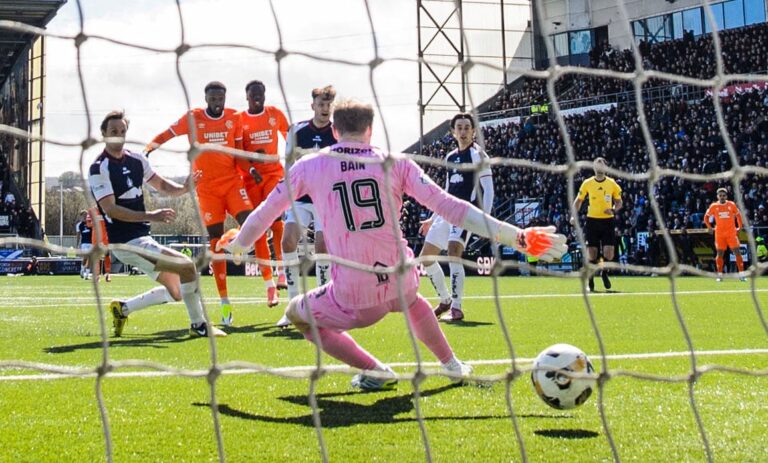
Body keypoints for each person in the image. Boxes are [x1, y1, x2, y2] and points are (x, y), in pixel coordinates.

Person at [220, 99, 566, 390]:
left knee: (297, 312)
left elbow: (268, 210)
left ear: (335, 131)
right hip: (401, 278)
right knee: (412, 299)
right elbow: (453, 207)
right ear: (370, 130)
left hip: (353, 295)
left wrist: (241, 244)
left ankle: (374, 370)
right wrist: (516, 237)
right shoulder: (396, 163)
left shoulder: (311, 165)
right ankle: (452, 364)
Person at [90, 110, 225, 338]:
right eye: (113, 132)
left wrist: (183, 188)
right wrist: (152, 215)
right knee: (186, 266)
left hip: (141, 238)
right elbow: (111, 209)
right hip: (125, 243)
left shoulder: (137, 159)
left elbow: (161, 185)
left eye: (122, 131)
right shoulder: (99, 168)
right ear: (103, 134)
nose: (119, 136)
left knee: (176, 291)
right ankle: (199, 325)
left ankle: (123, 309)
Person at [146, 81, 253, 326]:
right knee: (214, 242)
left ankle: (234, 244)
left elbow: (246, 144)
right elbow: (169, 132)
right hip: (205, 188)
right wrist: (151, 146)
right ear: (207, 99)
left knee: (251, 222)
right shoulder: (193, 118)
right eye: (214, 98)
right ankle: (225, 302)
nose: (218, 102)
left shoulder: (234, 117)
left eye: (221, 98)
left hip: (232, 182)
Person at [419, 113, 493, 322]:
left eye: (466, 127)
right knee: (426, 258)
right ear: (453, 132)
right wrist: (433, 218)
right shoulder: (450, 157)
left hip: (465, 213)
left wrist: (485, 219)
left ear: (473, 131)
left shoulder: (479, 156)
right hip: (446, 212)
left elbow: (488, 189)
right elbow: (446, 192)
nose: (463, 131)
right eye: (459, 128)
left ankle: (457, 308)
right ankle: (445, 300)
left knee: (453, 252)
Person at [276, 85, 337, 328]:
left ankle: (322, 307)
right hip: (300, 198)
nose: (324, 109)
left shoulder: (337, 132)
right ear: (312, 106)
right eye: (320, 104)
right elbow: (288, 163)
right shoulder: (297, 130)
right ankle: (292, 308)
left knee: (322, 247)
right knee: (288, 242)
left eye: (328, 105)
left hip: (325, 199)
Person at [238, 80, 290, 307]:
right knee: (258, 229)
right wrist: (250, 165)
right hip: (250, 180)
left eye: (260, 93)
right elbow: (237, 153)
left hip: (273, 175)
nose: (257, 97)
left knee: (277, 222)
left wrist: (293, 163)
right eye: (253, 94)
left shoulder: (275, 114)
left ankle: (281, 272)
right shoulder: (239, 120)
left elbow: (291, 139)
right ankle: (270, 287)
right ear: (247, 97)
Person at [571, 157, 622, 292]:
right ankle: (591, 277)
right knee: (592, 254)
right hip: (592, 220)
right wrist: (573, 215)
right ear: (594, 168)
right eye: (596, 166)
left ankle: (603, 271)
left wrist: (613, 209)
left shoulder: (612, 183)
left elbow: (619, 202)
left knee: (609, 254)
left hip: (607, 220)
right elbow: (578, 201)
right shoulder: (587, 183)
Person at [704, 188, 746, 282]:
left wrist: (739, 227)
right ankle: (719, 275)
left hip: (731, 233)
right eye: (720, 195)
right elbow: (706, 217)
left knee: (737, 252)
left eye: (723, 195)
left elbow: (738, 216)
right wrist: (709, 227)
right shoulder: (714, 206)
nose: (722, 197)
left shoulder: (731, 204)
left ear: (726, 196)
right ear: (717, 196)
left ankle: (742, 275)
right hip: (719, 234)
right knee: (720, 254)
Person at [89, 206, 112, 282]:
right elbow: (88, 223)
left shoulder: (107, 209)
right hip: (96, 237)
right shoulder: (92, 210)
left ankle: (108, 274)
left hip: (105, 237)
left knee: (107, 255)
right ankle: (97, 276)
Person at [75, 210, 92, 279]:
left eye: (86, 215)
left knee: (90, 258)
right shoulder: (79, 225)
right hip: (84, 243)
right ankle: (82, 270)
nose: (85, 216)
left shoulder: (90, 223)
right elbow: (78, 235)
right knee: (85, 257)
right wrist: (77, 244)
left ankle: (87, 274)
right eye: (83, 215)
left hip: (91, 243)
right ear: (81, 216)